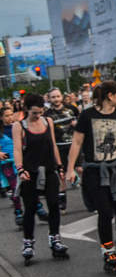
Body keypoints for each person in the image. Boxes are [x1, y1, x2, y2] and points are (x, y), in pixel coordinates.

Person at [66, 82, 116, 273]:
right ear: (110, 96)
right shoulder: (87, 115)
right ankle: (108, 251)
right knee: (105, 212)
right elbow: (77, 143)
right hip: (95, 170)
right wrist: (70, 169)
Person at [13, 94, 68, 264]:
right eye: (35, 113)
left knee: (53, 204)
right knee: (30, 209)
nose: (38, 115)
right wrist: (20, 169)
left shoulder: (47, 122)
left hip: (49, 169)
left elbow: (53, 145)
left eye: (40, 112)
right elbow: (17, 150)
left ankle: (55, 239)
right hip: (30, 171)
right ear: (27, 110)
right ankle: (28, 243)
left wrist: (59, 166)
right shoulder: (19, 126)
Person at [45, 87, 78, 215]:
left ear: (62, 97)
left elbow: (82, 121)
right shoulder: (47, 114)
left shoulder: (72, 109)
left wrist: (77, 124)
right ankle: (62, 198)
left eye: (58, 96)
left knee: (81, 169)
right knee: (62, 173)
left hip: (73, 144)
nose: (56, 99)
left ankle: (90, 194)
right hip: (59, 145)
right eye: (53, 97)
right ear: (49, 98)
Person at [0, 107, 23, 227]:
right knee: (15, 187)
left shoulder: (17, 126)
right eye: (6, 115)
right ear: (1, 117)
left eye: (11, 115)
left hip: (21, 160)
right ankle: (18, 211)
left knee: (28, 184)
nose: (10, 118)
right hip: (7, 162)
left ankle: (38, 207)